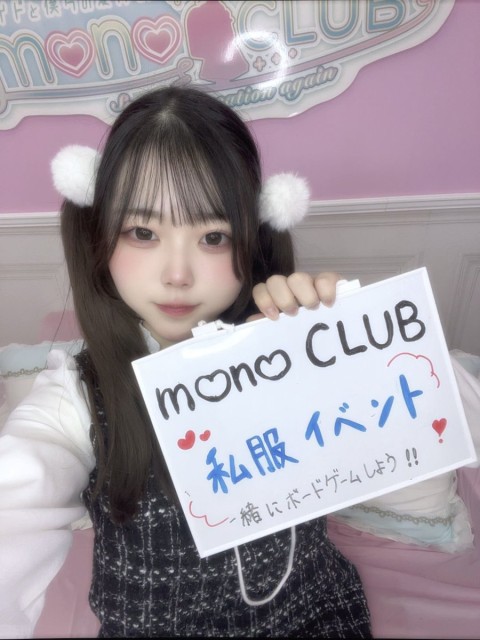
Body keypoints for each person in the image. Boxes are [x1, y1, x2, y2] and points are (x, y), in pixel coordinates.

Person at [0, 86, 371, 638]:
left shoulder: (294, 344)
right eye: (143, 232)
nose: (177, 274)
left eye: (213, 236)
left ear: (254, 237)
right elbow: (17, 498)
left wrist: (346, 344)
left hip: (312, 617)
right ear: (100, 235)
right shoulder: (75, 395)